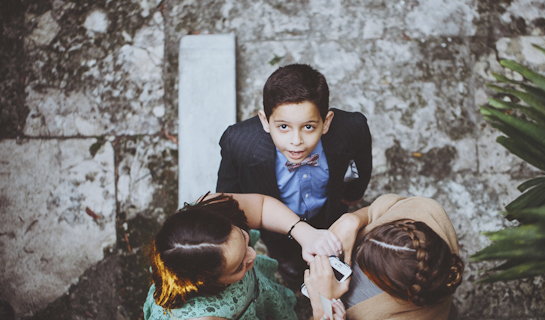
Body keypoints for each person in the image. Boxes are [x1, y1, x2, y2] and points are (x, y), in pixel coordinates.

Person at [216, 64, 372, 284]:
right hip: (278, 230)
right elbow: (228, 196)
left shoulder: (352, 127)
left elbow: (363, 160)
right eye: (283, 127)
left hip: (329, 214)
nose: (296, 141)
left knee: (333, 252)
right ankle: (293, 275)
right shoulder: (239, 144)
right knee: (287, 260)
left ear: (326, 123)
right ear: (265, 121)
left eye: (308, 127)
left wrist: (355, 192)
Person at [142, 193, 342, 320]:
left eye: (244, 237)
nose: (254, 254)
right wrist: (321, 307)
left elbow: (261, 206)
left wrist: (303, 232)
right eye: (239, 266)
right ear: (206, 283)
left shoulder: (202, 217)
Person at [304, 194, 464, 320]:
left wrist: (322, 305)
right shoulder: (429, 211)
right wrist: (354, 219)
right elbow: (384, 208)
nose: (358, 245)